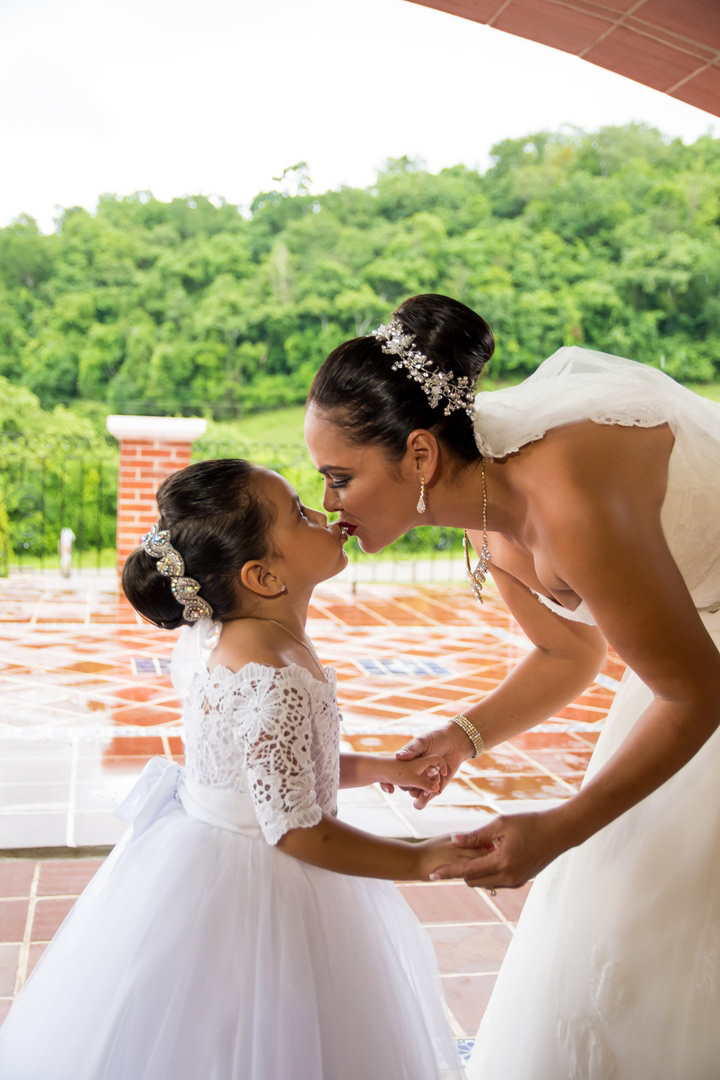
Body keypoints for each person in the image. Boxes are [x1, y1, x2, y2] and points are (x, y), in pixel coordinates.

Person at [304, 293, 720, 1079]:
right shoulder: (484, 503)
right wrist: (463, 738)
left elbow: (697, 693)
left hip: (699, 677)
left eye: (340, 477)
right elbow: (568, 651)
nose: (328, 502)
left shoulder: (570, 502)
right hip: (691, 665)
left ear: (419, 456)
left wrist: (562, 827)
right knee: (618, 919)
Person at [0, 458, 473, 1080]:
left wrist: (386, 767)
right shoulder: (271, 673)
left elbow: (275, 770)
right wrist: (419, 859)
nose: (323, 513)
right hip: (262, 885)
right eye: (300, 514)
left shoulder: (235, 637)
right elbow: (295, 827)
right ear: (264, 576)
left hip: (213, 850)